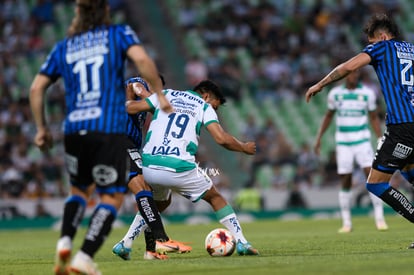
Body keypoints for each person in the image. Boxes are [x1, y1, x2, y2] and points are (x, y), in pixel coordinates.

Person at [29, 1, 171, 274]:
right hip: (107, 129)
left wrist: (42, 128)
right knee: (113, 196)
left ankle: (65, 241)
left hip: (73, 130)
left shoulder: (64, 46)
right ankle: (84, 257)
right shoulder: (118, 34)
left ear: (77, 13)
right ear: (105, 11)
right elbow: (141, 60)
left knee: (79, 192)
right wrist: (160, 96)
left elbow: (37, 88)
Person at [306, 13, 414, 246]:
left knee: (375, 183)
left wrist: (320, 83)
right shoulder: (412, 50)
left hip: (403, 127)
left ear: (383, 37)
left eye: (371, 42)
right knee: (409, 172)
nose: (369, 47)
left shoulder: (383, 48)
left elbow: (348, 66)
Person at [126, 79, 260, 256]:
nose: (215, 109)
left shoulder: (166, 94)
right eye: (216, 105)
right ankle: (242, 242)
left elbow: (131, 107)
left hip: (149, 166)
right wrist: (244, 147)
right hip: (179, 167)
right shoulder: (204, 106)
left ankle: (125, 243)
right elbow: (221, 139)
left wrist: (130, 95)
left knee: (160, 203)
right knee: (216, 198)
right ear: (206, 96)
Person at [112, 76, 191, 261]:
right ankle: (161, 239)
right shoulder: (139, 83)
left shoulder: (145, 106)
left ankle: (144, 249)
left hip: (128, 146)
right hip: (118, 142)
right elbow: (135, 87)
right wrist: (152, 96)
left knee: (160, 199)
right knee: (144, 189)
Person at [313, 70, 388, 233]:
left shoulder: (367, 93)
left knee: (371, 177)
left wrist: (379, 137)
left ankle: (380, 219)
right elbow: (328, 116)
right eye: (351, 74)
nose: (354, 77)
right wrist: (319, 137)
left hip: (362, 140)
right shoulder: (335, 94)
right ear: (345, 76)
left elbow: (373, 117)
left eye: (356, 74)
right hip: (344, 142)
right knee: (345, 179)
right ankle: (347, 223)